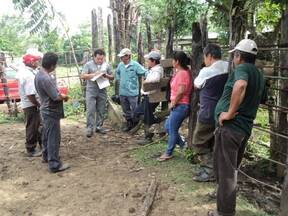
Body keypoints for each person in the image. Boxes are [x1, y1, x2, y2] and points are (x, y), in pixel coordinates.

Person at [208, 39, 266, 216]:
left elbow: (241, 85)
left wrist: (230, 112)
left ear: (239, 56)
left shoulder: (241, 70)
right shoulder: (259, 74)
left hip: (232, 128)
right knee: (226, 169)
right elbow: (262, 99)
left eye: (234, 55)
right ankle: (223, 197)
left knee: (226, 173)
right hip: (243, 129)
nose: (233, 58)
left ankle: (225, 212)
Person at [192, 44, 229, 182]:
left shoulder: (206, 71)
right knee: (215, 141)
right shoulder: (229, 67)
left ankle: (209, 170)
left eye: (204, 57)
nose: (204, 60)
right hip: (224, 112)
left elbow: (196, 84)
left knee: (199, 141)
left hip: (207, 112)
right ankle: (212, 169)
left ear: (209, 56)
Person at [35, 52, 70, 173]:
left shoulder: (39, 74)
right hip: (51, 111)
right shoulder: (45, 78)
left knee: (46, 135)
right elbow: (56, 97)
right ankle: (54, 164)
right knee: (53, 137)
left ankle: (46, 156)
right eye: (55, 64)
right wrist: (64, 97)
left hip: (45, 109)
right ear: (52, 65)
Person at [158, 51, 192, 161]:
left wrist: (173, 102)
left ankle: (168, 152)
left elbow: (181, 91)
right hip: (178, 105)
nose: (172, 62)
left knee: (172, 129)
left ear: (177, 61)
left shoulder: (183, 73)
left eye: (173, 60)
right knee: (168, 126)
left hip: (181, 105)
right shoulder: (180, 72)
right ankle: (183, 145)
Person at [81, 49, 114, 137]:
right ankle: (89, 128)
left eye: (101, 59)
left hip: (102, 89)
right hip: (91, 90)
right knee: (90, 109)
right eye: (98, 59)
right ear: (94, 57)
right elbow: (83, 75)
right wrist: (94, 74)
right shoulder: (88, 65)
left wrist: (106, 75)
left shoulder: (106, 65)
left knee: (101, 109)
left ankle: (99, 126)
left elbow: (112, 76)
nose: (100, 61)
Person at [134, 51, 164, 144]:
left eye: (148, 60)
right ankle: (155, 120)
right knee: (138, 112)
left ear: (153, 61)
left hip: (151, 97)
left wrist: (145, 83)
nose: (147, 62)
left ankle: (148, 137)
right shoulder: (154, 69)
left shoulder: (157, 70)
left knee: (147, 116)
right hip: (148, 96)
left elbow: (155, 80)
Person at [115, 48, 147, 132]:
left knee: (135, 109)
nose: (121, 58)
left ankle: (135, 124)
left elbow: (144, 72)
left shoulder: (135, 65)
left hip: (132, 92)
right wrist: (119, 79)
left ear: (128, 56)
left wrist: (148, 81)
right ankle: (129, 124)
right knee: (125, 109)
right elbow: (117, 72)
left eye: (123, 56)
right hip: (122, 91)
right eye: (121, 56)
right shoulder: (120, 65)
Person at [18, 53, 43, 157]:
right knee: (32, 126)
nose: (38, 62)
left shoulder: (28, 72)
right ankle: (31, 149)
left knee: (36, 125)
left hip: (30, 103)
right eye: (36, 60)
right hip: (31, 104)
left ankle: (38, 145)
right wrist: (37, 104)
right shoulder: (28, 75)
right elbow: (30, 94)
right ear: (32, 62)